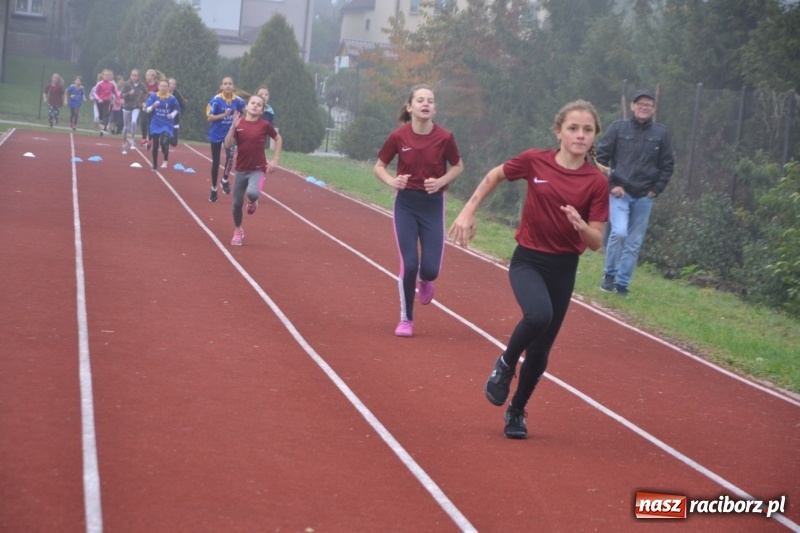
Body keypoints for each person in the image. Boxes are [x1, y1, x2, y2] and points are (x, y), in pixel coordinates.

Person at [448, 100, 610, 439]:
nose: (580, 135)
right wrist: (467, 212)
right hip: (529, 260)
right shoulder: (535, 160)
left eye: (587, 130)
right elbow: (495, 175)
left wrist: (581, 225)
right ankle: (506, 364)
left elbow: (596, 242)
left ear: (594, 136)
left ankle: (517, 410)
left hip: (564, 267)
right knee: (538, 315)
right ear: (558, 131)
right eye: (573, 128)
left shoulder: (596, 182)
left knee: (539, 352)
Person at [373, 84, 464, 338]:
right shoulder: (398, 136)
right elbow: (379, 166)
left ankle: (426, 280)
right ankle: (406, 319)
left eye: (431, 101)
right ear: (410, 107)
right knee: (409, 262)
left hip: (433, 205)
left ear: (434, 108)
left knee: (431, 268)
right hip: (406, 205)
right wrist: (392, 181)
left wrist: (441, 181)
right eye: (421, 100)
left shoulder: (445, 137)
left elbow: (458, 166)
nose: (426, 104)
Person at [596, 89, 674, 296]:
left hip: (644, 197)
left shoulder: (661, 134)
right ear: (632, 106)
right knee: (619, 231)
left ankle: (622, 285)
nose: (644, 107)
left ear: (653, 109)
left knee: (634, 242)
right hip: (620, 193)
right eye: (640, 104)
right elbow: (600, 160)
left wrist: (655, 190)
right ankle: (609, 276)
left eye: (648, 104)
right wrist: (612, 186)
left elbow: (667, 166)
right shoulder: (617, 129)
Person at [224, 94, 283, 246]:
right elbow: (228, 145)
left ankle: (253, 201)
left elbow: (278, 138)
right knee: (236, 204)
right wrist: (232, 128)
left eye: (259, 104)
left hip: (258, 168)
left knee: (253, 192)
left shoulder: (264, 125)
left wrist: (275, 159)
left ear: (262, 110)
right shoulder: (239, 123)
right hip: (241, 169)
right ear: (246, 106)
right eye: (253, 103)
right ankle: (238, 231)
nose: (255, 106)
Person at [206, 76, 246, 202]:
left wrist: (240, 119)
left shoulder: (238, 101)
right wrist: (224, 115)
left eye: (230, 84)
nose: (228, 86)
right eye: (225, 84)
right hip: (216, 133)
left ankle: (225, 180)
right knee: (216, 163)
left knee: (230, 155)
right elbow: (210, 118)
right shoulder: (216, 100)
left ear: (233, 86)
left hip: (230, 133)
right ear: (221, 86)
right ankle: (213, 188)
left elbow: (245, 113)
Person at [143, 79, 180, 170]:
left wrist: (171, 115)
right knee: (155, 145)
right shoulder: (153, 96)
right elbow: (146, 109)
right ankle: (155, 163)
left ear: (168, 88)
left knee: (164, 141)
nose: (163, 88)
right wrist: (153, 106)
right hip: (156, 123)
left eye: (165, 86)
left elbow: (177, 109)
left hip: (166, 123)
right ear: (158, 87)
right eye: (161, 86)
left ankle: (164, 149)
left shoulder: (172, 98)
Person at [121, 69, 148, 154]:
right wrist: (129, 93)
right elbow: (121, 95)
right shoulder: (127, 84)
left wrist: (144, 101)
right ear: (130, 75)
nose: (134, 77)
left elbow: (146, 93)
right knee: (126, 127)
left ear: (138, 76)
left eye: (136, 75)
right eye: (132, 75)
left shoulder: (141, 85)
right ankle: (124, 144)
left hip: (137, 106)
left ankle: (132, 139)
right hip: (127, 107)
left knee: (134, 121)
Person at [92, 69, 116, 136]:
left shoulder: (112, 84)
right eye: (105, 75)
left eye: (108, 75)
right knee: (100, 115)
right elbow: (94, 92)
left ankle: (102, 130)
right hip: (99, 101)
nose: (107, 76)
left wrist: (116, 97)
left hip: (108, 101)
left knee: (106, 114)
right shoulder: (99, 84)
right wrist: (98, 99)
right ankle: (101, 125)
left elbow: (115, 92)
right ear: (102, 76)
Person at [140, 69, 160, 148]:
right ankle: (144, 137)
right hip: (145, 105)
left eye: (148, 75)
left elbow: (160, 95)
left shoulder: (157, 85)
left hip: (153, 106)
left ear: (153, 77)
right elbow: (140, 95)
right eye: (146, 75)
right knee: (143, 121)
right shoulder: (144, 85)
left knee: (151, 123)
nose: (146, 77)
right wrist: (141, 102)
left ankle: (150, 139)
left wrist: (154, 94)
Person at [168, 77, 186, 147]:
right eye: (170, 83)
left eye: (174, 84)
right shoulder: (162, 92)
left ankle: (167, 138)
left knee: (174, 143)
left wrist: (178, 111)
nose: (172, 85)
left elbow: (182, 107)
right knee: (164, 141)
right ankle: (165, 157)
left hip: (175, 121)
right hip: (164, 121)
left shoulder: (177, 95)